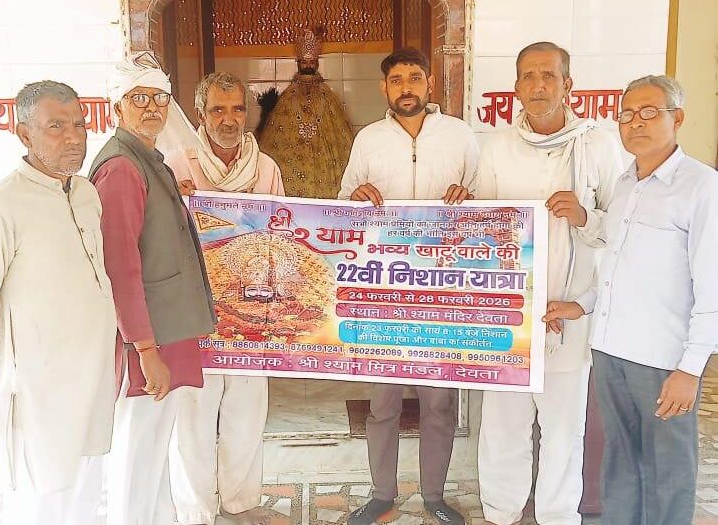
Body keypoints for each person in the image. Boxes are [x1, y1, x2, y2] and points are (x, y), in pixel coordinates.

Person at [545, 74, 718, 525]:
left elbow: (712, 286)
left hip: (662, 359)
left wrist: (690, 369)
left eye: (649, 112)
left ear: (677, 118)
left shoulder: (701, 187)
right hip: (610, 351)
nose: (636, 122)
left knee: (667, 471)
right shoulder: (625, 184)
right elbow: (618, 266)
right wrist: (580, 304)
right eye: (627, 114)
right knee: (620, 462)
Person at [474, 41, 622, 525]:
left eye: (549, 76)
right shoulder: (496, 148)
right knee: (502, 427)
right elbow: (481, 232)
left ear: (568, 84)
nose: (539, 86)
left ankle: (558, 516)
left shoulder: (597, 146)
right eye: (529, 77)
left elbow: (623, 229)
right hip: (509, 319)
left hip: (569, 313)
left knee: (563, 431)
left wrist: (583, 216)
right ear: (516, 88)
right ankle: (501, 513)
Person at [0, 80, 117, 524]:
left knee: (84, 495)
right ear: (25, 134)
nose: (74, 137)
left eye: (80, 125)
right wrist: (11, 377)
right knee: (40, 503)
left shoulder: (86, 194)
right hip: (37, 396)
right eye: (56, 127)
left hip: (91, 381)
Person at [340, 47, 479, 525]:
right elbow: (343, 204)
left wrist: (470, 199)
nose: (406, 88)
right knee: (383, 402)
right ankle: (382, 494)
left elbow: (488, 204)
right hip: (385, 293)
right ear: (385, 87)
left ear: (429, 83)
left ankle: (435, 496)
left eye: (414, 78)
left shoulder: (459, 136)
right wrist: (354, 197)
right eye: (396, 80)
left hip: (443, 293)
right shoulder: (369, 139)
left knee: (439, 402)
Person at [88, 52, 217, 525]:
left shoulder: (147, 159)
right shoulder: (122, 167)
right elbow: (121, 266)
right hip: (150, 337)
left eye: (159, 98)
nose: (151, 108)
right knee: (138, 452)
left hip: (164, 328)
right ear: (117, 107)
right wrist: (145, 349)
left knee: (155, 446)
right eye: (138, 99)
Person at [162, 71, 284, 525]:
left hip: (251, 310)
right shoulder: (176, 165)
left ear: (248, 114)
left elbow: (281, 233)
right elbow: (160, 233)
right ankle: (195, 510)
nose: (228, 119)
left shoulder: (265, 168)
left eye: (236, 109)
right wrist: (179, 204)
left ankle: (240, 502)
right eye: (217, 109)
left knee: (246, 411)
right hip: (193, 310)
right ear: (200, 114)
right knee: (193, 412)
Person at [258, 26, 353, 198]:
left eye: (311, 63)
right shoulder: (287, 97)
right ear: (298, 64)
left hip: (324, 166)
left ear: (317, 64)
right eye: (304, 62)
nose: (308, 66)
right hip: (292, 164)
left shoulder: (328, 96)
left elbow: (341, 135)